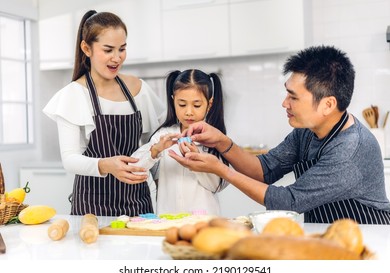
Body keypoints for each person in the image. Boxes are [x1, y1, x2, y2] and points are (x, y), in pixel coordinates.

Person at [170, 45, 390, 224]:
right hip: (325, 235)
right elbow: (264, 170)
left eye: (293, 97)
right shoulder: (305, 132)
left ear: (328, 104)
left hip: (368, 239)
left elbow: (289, 201)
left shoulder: (349, 150)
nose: (285, 103)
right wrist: (221, 141)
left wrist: (220, 170)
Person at [43, 10, 165, 216]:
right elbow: (70, 159)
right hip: (93, 206)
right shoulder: (73, 95)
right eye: (108, 50)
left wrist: (163, 191)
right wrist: (106, 165)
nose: (116, 58)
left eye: (122, 49)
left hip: (138, 203)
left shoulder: (139, 89)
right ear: (86, 48)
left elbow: (151, 149)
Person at [130, 69, 229, 215]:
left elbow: (216, 186)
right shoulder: (163, 135)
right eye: (182, 104)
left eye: (196, 105)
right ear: (173, 101)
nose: (189, 112)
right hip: (168, 221)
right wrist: (155, 150)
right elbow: (133, 168)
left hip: (203, 222)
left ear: (209, 104)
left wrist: (197, 161)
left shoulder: (215, 138)